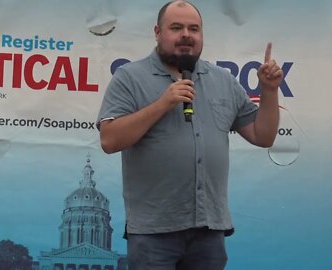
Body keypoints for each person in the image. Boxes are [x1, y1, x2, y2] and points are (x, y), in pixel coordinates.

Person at [96, 1, 283, 269]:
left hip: (209, 231)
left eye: (194, 29)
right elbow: (109, 140)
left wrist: (269, 91)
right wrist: (163, 104)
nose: (186, 34)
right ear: (158, 32)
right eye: (176, 27)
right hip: (153, 233)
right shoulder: (129, 77)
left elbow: (263, 136)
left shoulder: (224, 80)